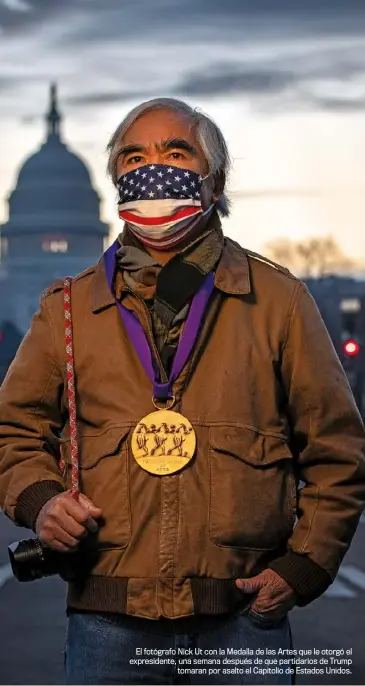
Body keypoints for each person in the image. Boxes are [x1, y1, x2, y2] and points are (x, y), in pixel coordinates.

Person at [0, 97, 364, 686]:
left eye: (176, 152)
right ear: (116, 179)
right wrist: (40, 500)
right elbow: (13, 431)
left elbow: (337, 451)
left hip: (243, 617)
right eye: (134, 156)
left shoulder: (279, 302)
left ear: (213, 178)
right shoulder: (64, 309)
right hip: (106, 622)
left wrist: (303, 567)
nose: (153, 168)